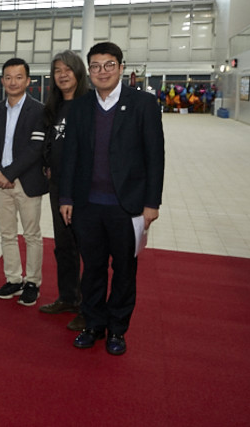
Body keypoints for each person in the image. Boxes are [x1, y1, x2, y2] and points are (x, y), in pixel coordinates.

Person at [60, 42, 165, 356]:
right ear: (88, 71)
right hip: (87, 205)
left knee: (124, 270)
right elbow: (70, 157)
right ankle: (94, 324)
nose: (101, 72)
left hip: (127, 206)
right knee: (91, 268)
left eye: (108, 65)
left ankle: (117, 329)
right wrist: (66, 196)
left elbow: (155, 156)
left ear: (121, 67)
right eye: (95, 66)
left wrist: (152, 203)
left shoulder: (143, 104)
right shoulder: (79, 107)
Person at [0, 58, 49, 307]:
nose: (13, 82)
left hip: (26, 182)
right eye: (8, 77)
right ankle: (13, 279)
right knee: (7, 233)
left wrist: (9, 173)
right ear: (2, 81)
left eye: (18, 77)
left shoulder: (40, 110)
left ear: (28, 81)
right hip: (0, 182)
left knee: (31, 234)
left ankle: (32, 282)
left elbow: (36, 148)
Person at [39, 51, 88, 331]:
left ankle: (88, 305)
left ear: (78, 73)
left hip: (82, 187)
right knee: (64, 246)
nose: (62, 74)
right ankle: (68, 297)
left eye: (68, 69)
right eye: (57, 70)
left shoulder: (89, 104)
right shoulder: (54, 107)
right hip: (57, 185)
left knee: (87, 248)